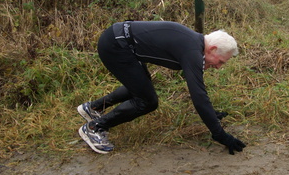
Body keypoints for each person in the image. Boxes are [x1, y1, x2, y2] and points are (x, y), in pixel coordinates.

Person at [77, 21, 246, 155]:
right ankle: (94, 128)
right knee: (147, 101)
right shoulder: (192, 51)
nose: (218, 67)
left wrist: (212, 115)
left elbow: (199, 92)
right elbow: (199, 97)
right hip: (116, 46)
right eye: (221, 62)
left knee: (140, 87)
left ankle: (93, 108)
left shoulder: (194, 44)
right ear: (213, 49)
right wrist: (220, 134)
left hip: (118, 41)